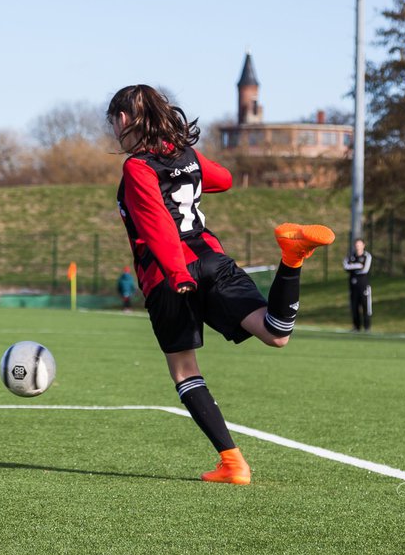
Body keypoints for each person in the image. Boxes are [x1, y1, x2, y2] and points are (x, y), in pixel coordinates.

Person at [109, 83, 334, 486]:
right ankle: (291, 259)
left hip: (169, 274)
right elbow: (225, 179)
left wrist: (177, 276)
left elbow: (158, 226)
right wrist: (188, 177)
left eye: (113, 123)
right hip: (212, 257)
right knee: (275, 332)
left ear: (124, 119)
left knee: (183, 369)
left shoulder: (137, 167)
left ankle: (233, 464)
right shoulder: (188, 155)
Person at [342, 238, 372, 331]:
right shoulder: (351, 256)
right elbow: (346, 266)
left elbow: (364, 269)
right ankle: (356, 327)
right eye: (356, 245)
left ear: (363, 245)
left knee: (365, 306)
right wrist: (358, 265)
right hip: (353, 285)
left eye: (359, 245)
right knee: (354, 306)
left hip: (363, 285)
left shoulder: (367, 256)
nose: (358, 247)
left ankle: (367, 327)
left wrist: (353, 267)